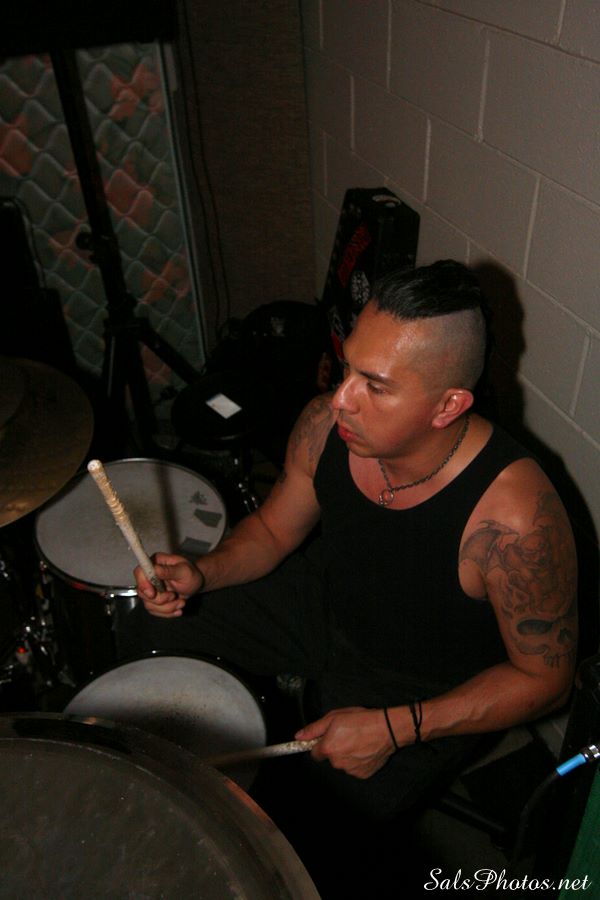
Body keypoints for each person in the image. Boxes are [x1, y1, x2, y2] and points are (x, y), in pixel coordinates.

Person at [129, 259, 577, 823]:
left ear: (448, 405)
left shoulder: (514, 517)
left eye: (376, 386)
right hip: (328, 605)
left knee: (314, 825)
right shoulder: (325, 426)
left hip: (421, 688)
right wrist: (203, 573)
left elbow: (546, 681)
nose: (341, 397)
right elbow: (271, 530)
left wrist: (395, 729)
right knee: (160, 627)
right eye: (347, 368)